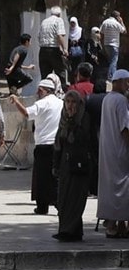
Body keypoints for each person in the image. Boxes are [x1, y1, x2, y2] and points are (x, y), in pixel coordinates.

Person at [12, 77, 62, 216]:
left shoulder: (42, 103)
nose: (37, 93)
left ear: (43, 90)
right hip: (57, 145)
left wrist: (16, 102)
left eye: (39, 91)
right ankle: (59, 204)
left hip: (43, 145)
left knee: (41, 178)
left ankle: (43, 206)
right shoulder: (61, 103)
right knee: (55, 176)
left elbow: (27, 113)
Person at [53, 90, 93, 242]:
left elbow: (82, 139)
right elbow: (59, 143)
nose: (70, 106)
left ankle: (68, 231)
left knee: (75, 199)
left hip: (79, 164)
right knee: (64, 198)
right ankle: (72, 230)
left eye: (73, 102)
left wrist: (72, 123)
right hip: (65, 164)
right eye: (67, 102)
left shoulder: (84, 118)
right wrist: (55, 164)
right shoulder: (63, 119)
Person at [98, 69, 129, 238]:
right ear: (117, 82)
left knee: (111, 186)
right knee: (123, 187)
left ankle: (117, 224)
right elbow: (125, 128)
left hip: (108, 148)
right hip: (120, 150)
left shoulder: (107, 99)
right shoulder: (121, 100)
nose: (127, 85)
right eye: (126, 81)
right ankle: (115, 224)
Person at [38, 6, 69, 86]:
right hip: (53, 49)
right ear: (59, 14)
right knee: (60, 73)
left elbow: (39, 36)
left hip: (43, 50)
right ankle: (62, 90)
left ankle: (45, 91)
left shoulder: (44, 21)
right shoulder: (58, 20)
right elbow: (59, 35)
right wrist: (64, 49)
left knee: (45, 75)